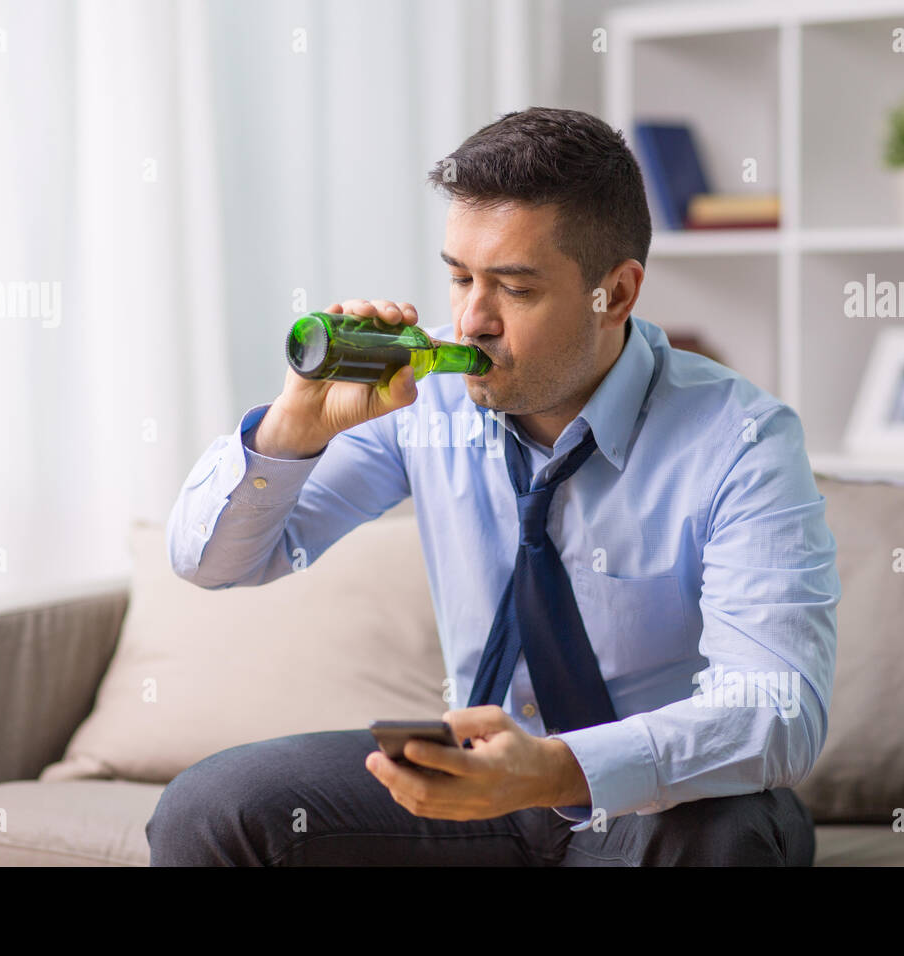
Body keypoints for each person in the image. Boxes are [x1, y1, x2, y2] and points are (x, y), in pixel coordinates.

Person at [147, 106, 839, 866]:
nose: (472, 321)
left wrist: (556, 769)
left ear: (617, 292)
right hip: (482, 789)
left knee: (722, 835)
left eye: (514, 288)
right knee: (212, 810)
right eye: (458, 277)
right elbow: (212, 562)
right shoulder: (421, 401)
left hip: (654, 802)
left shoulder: (742, 441)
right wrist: (292, 430)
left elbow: (776, 710)